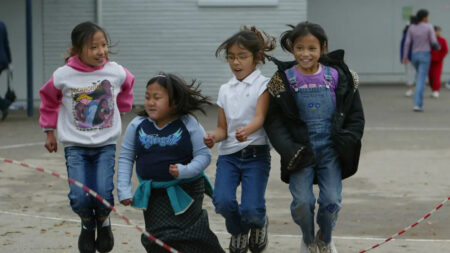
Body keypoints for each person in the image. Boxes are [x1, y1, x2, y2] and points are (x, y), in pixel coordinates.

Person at [264, 21, 365, 253]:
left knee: (331, 201)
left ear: (323, 48)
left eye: (312, 48)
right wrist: (289, 149)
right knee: (302, 203)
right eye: (300, 48)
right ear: (292, 49)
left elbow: (356, 116)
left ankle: (325, 238)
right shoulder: (281, 81)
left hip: (331, 151)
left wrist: (349, 139)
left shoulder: (340, 77)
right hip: (300, 153)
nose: (305, 54)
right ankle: (308, 239)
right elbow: (274, 122)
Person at [39, 21, 134, 253]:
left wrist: (122, 106)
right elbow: (49, 99)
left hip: (105, 145)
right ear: (77, 50)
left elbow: (128, 83)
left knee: (102, 192)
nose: (101, 51)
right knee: (80, 197)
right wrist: (49, 131)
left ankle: (103, 220)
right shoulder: (63, 75)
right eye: (93, 47)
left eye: (104, 45)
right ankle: (87, 222)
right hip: (75, 147)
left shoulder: (115, 71)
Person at [117, 73, 225, 253]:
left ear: (174, 102)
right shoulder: (137, 125)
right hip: (154, 194)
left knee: (192, 235)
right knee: (159, 238)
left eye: (157, 98)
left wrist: (184, 170)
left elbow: (203, 156)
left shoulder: (188, 123)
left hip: (187, 189)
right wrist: (123, 188)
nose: (150, 102)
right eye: (147, 97)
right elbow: (126, 157)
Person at [204, 26, 275, 253]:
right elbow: (223, 128)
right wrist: (213, 137)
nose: (236, 62)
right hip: (229, 156)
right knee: (222, 202)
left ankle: (259, 223)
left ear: (256, 58)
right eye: (231, 57)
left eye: (242, 57)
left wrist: (248, 130)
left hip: (256, 154)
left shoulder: (263, 85)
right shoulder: (225, 89)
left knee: (252, 210)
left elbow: (260, 117)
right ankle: (238, 231)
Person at [402, 9, 439, 112]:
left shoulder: (412, 28)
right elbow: (433, 41)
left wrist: (405, 56)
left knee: (419, 77)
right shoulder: (429, 26)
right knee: (421, 80)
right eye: (427, 16)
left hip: (414, 55)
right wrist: (437, 46)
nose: (428, 18)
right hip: (425, 55)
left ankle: (418, 103)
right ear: (424, 17)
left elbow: (407, 43)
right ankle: (418, 104)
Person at [428, 25, 448, 98]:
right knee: (430, 76)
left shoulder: (442, 40)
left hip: (438, 62)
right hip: (429, 61)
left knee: (436, 75)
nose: (438, 32)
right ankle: (433, 89)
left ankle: (436, 90)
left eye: (439, 31)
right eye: (436, 31)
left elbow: (445, 50)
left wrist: (440, 57)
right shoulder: (429, 40)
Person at [400, 16, 417, 97]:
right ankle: (410, 89)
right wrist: (404, 57)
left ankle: (411, 89)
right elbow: (404, 46)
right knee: (411, 73)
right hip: (410, 57)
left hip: (412, 57)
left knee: (411, 73)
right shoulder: (407, 34)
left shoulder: (407, 33)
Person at [0, 20, 12, 120]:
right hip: (2, 60)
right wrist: (9, 61)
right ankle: (4, 104)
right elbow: (6, 43)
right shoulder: (2, 25)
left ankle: (4, 104)